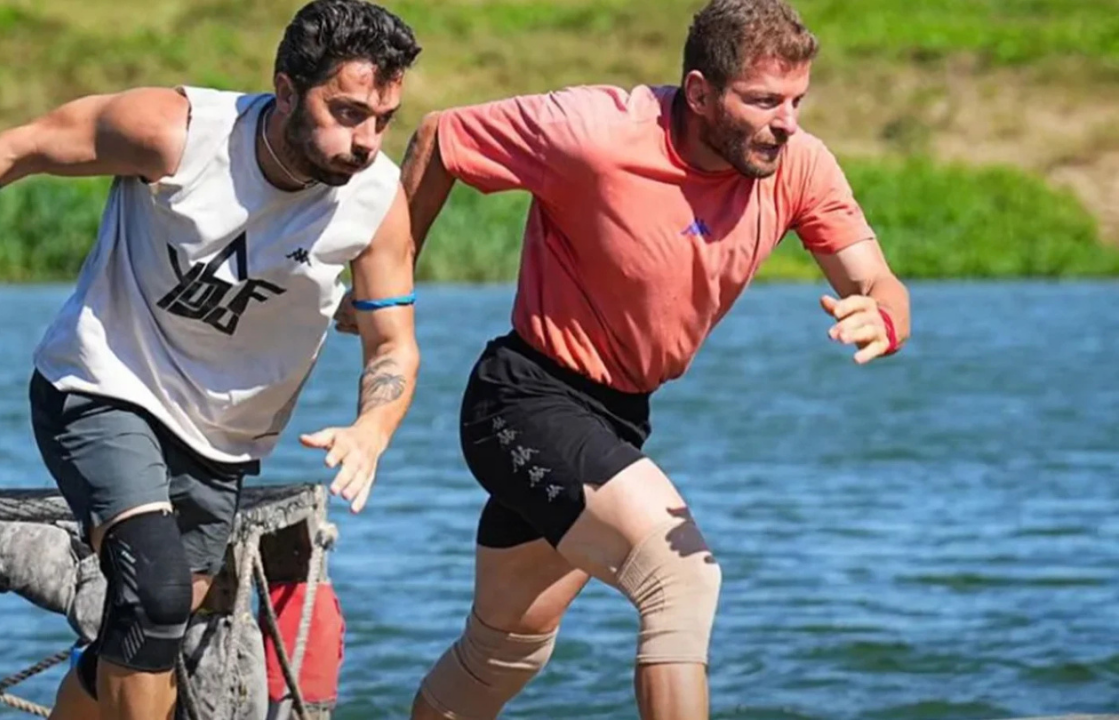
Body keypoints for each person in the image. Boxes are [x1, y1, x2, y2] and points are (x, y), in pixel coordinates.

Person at [0, 1, 422, 718]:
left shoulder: (376, 200)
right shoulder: (177, 134)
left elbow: (393, 345)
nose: (366, 141)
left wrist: (373, 427)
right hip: (101, 384)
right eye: (348, 113)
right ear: (285, 89)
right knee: (158, 593)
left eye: (383, 120)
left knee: (151, 626)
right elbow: (24, 145)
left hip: (220, 438)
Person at [390, 0, 912, 718]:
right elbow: (443, 138)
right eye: (764, 101)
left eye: (796, 100)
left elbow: (878, 282)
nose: (786, 122)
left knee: (505, 650)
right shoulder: (595, 133)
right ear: (699, 92)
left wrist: (881, 315)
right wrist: (385, 292)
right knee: (680, 577)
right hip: (524, 401)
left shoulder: (798, 166)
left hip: (617, 418)